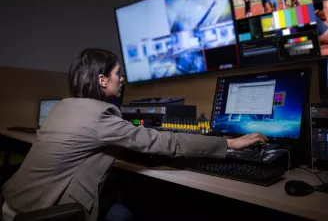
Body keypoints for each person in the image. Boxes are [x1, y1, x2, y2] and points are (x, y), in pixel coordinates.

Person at [1, 49, 268, 221]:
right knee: (124, 214)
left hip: (13, 203)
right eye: (118, 73)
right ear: (103, 80)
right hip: (44, 213)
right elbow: (162, 141)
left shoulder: (62, 106)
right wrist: (228, 142)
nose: (122, 79)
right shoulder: (100, 116)